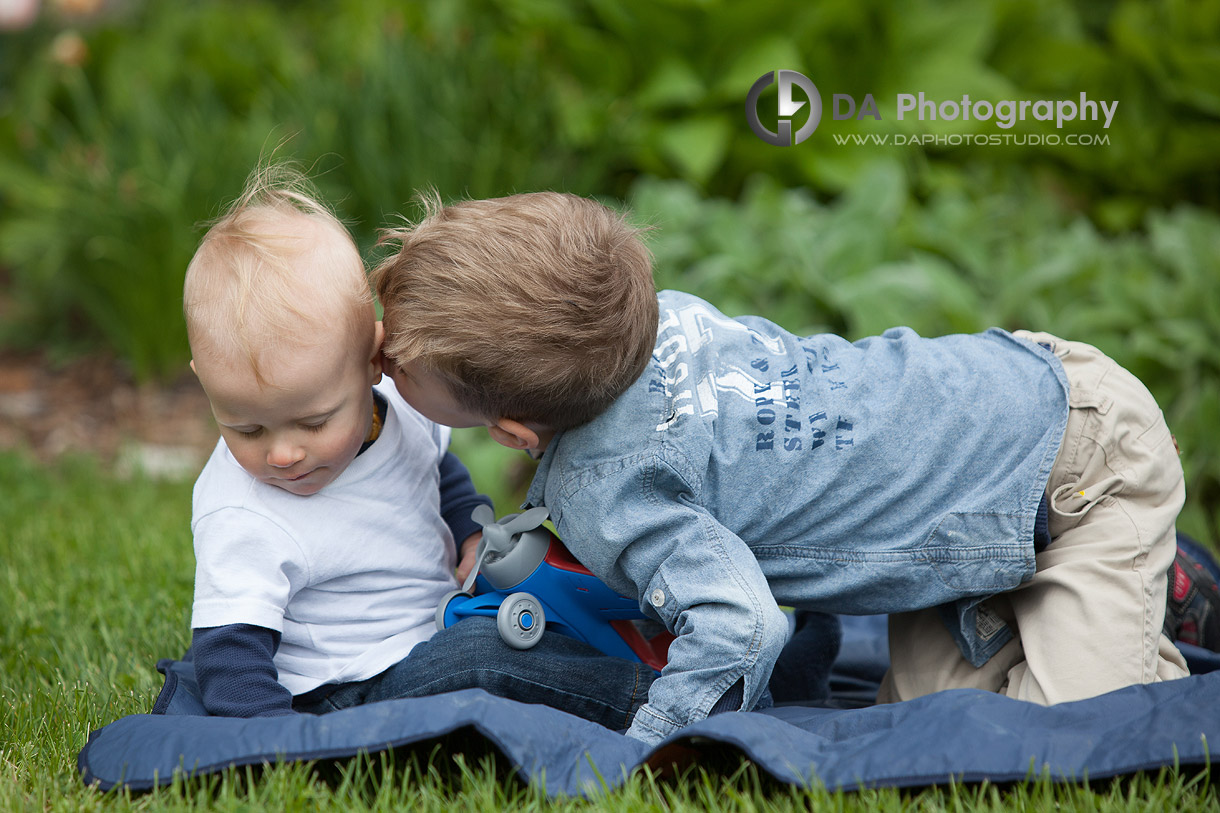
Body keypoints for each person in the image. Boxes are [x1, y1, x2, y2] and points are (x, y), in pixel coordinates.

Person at [370, 189, 1202, 745]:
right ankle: (1088, 598)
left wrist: (652, 750)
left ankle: (1159, 597)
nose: (378, 358)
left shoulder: (613, 492)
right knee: (925, 735)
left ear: (514, 432)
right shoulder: (639, 325)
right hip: (988, 449)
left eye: (401, 367)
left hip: (1081, 464)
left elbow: (745, 625)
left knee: (1077, 746)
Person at [182, 169, 654, 727]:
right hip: (353, 684)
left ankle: (667, 642)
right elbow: (227, 654)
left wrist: (470, 532)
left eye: (313, 422)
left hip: (437, 625)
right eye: (248, 430)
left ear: (373, 362)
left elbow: (435, 467)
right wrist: (280, 739)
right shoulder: (241, 514)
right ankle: (652, 698)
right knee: (485, 656)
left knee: (544, 602)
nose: (283, 454)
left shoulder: (400, 408)